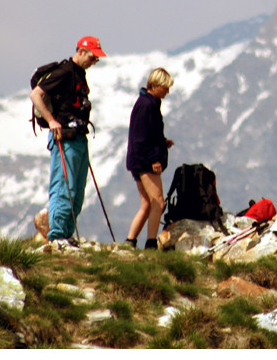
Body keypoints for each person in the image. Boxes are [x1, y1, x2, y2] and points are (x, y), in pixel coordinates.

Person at [30, 36, 106, 246]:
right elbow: (36, 94)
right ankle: (57, 236)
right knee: (64, 187)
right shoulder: (64, 71)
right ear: (81, 51)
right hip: (64, 138)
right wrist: (52, 121)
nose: (94, 61)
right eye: (92, 57)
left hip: (78, 137)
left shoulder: (79, 74)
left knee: (77, 190)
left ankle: (66, 234)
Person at [123, 67, 175, 249]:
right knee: (158, 202)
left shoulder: (148, 102)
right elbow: (141, 137)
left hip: (138, 160)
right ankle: (151, 243)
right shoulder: (147, 105)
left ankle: (130, 241)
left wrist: (162, 142)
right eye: (165, 87)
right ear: (154, 85)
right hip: (145, 161)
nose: (168, 91)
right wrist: (154, 159)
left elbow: (148, 132)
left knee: (146, 203)